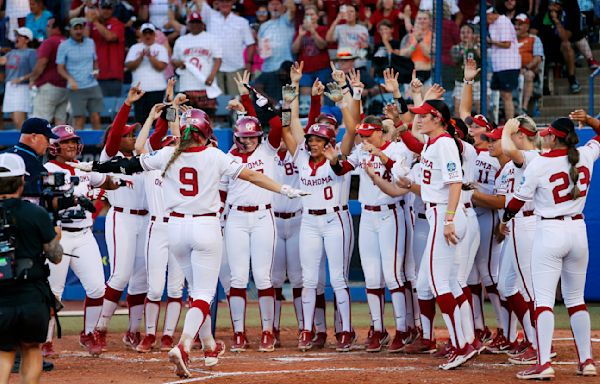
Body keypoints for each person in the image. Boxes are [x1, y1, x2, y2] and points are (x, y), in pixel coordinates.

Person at [73, 108, 306, 379]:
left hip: (174, 227)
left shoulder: (167, 154)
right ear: (205, 132)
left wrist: (94, 166)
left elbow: (129, 165)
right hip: (205, 225)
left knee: (195, 290)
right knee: (204, 295)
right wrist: (284, 189)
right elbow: (252, 176)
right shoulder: (215, 155)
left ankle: (208, 345)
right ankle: (183, 345)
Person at [500, 117, 598, 380]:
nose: (545, 137)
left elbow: (516, 203)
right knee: (576, 300)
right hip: (578, 230)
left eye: (548, 134)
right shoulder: (585, 155)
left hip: (549, 231)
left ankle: (543, 363)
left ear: (554, 137)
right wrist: (589, 120)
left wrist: (505, 220)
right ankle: (586, 361)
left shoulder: (540, 163)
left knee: (543, 300)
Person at [42, 125, 121, 358]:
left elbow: (107, 181)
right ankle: (46, 341)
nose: (71, 145)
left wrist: (114, 185)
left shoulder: (83, 167)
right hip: (59, 235)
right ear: (54, 146)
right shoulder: (46, 169)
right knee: (53, 292)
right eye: (66, 141)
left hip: (85, 234)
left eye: (73, 141)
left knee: (97, 288)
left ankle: (88, 333)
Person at [219, 74, 284, 353]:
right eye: (243, 137)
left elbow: (276, 125)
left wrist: (251, 95)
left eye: (252, 137)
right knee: (236, 278)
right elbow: (221, 194)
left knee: (263, 276)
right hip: (234, 218)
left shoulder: (269, 149)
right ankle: (238, 333)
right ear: (236, 136)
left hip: (262, 217)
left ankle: (268, 331)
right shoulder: (228, 156)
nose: (247, 141)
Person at [345, 116, 415, 353]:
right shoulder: (361, 150)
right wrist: (334, 157)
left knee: (393, 275)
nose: (364, 139)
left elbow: (401, 175)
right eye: (362, 135)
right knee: (372, 277)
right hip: (367, 214)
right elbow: (342, 167)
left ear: (380, 132)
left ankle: (403, 329)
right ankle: (378, 329)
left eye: (368, 134)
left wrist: (380, 154)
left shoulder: (397, 148)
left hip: (390, 214)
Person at [92, 85, 149, 351]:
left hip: (144, 220)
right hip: (122, 218)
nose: (132, 137)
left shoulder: (142, 157)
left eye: (133, 134)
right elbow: (114, 134)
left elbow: (156, 133)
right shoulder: (110, 155)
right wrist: (126, 104)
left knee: (141, 279)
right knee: (120, 274)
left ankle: (133, 331)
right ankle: (99, 329)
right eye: (129, 134)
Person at [0, 153, 63, 384]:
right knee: (31, 348)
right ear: (21, 181)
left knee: (4, 352)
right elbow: (55, 257)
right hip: (31, 295)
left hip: (1, 297)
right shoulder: (34, 213)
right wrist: (56, 237)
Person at [132, 102, 185, 353]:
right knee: (154, 288)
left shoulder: (184, 164)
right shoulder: (151, 166)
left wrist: (174, 113)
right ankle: (150, 333)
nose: (171, 148)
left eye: (174, 145)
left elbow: (180, 138)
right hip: (157, 227)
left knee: (175, 287)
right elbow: (138, 148)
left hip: (179, 226)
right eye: (167, 145)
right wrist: (151, 119)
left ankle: (167, 335)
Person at [198, 0, 256, 96]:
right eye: (222, 1)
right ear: (218, 3)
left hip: (236, 67)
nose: (225, 4)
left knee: (238, 101)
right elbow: (200, 3)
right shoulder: (210, 17)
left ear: (232, 3)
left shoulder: (242, 22)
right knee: (218, 102)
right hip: (214, 69)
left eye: (227, 1)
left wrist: (248, 64)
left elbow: (250, 44)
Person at [171, 12, 222, 118]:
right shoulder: (181, 40)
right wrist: (179, 63)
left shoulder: (211, 38)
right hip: (187, 85)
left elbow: (218, 59)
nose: (195, 25)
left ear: (202, 24)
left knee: (207, 118)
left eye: (197, 22)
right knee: (186, 118)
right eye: (192, 23)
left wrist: (212, 76)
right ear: (188, 25)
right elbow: (174, 60)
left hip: (205, 84)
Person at [56, 17, 103, 130]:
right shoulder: (64, 45)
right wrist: (70, 79)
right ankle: (79, 147)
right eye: (75, 28)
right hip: (75, 87)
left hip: (92, 84)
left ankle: (100, 146)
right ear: (70, 30)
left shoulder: (91, 42)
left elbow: (95, 60)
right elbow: (60, 68)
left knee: (96, 117)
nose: (78, 31)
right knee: (79, 119)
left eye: (80, 28)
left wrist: (96, 71)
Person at [125, 23, 169, 124]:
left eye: (150, 33)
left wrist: (150, 56)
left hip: (157, 89)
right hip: (139, 90)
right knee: (140, 120)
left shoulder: (161, 48)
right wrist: (140, 57)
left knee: (157, 120)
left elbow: (161, 67)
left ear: (154, 34)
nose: (148, 36)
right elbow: (129, 66)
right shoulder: (134, 48)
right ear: (141, 35)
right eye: (145, 33)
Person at [29, 18, 69, 125]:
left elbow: (42, 63)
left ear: (56, 28)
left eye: (48, 26)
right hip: (65, 87)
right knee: (60, 124)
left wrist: (32, 78)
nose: (46, 28)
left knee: (39, 124)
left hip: (49, 86)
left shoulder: (49, 41)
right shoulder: (67, 42)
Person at [254, 0, 296, 99]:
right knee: (269, 99)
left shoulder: (286, 19)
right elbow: (260, 48)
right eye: (272, 4)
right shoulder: (263, 26)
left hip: (285, 68)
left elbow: (292, 9)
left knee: (286, 100)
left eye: (277, 4)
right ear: (268, 7)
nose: (275, 7)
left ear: (282, 6)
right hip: (268, 67)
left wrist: (286, 6)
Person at [487, 7, 521, 120]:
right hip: (498, 65)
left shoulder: (503, 21)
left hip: (508, 64)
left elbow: (507, 44)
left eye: (487, 16)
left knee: (507, 95)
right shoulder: (492, 24)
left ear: (492, 13)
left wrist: (491, 42)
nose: (486, 19)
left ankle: (510, 122)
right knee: (500, 94)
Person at [0, 27, 36, 130]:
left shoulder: (31, 52)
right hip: (10, 87)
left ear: (27, 39)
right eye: (16, 36)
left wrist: (21, 78)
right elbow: (2, 61)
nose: (16, 38)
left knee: (19, 120)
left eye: (19, 36)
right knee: (14, 120)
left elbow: (36, 71)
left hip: (22, 88)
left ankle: (26, 144)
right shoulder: (11, 52)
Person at [88, 0, 126, 98]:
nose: (106, 11)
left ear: (113, 9)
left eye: (109, 8)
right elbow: (83, 40)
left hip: (113, 76)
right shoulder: (91, 25)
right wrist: (89, 21)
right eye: (104, 8)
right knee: (95, 111)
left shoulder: (118, 24)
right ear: (99, 8)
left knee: (113, 110)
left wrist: (95, 22)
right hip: (95, 76)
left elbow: (110, 37)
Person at [291, 4, 330, 96]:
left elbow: (322, 46)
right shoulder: (300, 31)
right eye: (307, 15)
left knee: (320, 94)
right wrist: (300, 35)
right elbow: (294, 50)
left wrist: (312, 31)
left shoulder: (323, 29)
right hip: (305, 70)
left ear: (317, 16)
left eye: (312, 14)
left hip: (322, 68)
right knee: (305, 97)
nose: (310, 17)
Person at [514, 13, 544, 115]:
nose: (517, 27)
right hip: (512, 70)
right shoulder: (510, 40)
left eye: (520, 24)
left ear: (527, 26)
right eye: (516, 24)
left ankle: (523, 108)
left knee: (528, 75)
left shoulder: (534, 39)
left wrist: (526, 68)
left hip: (528, 70)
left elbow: (538, 58)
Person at [326, 3, 369, 70]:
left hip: (358, 65)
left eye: (351, 11)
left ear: (356, 14)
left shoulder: (363, 29)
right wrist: (337, 20)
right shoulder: (339, 28)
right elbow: (328, 39)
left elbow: (365, 48)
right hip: (342, 65)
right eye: (346, 11)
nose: (349, 13)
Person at [399, 11, 432, 84]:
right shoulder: (408, 37)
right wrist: (415, 43)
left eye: (425, 19)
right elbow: (403, 55)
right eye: (419, 19)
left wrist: (420, 40)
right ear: (416, 20)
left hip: (428, 74)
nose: (422, 21)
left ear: (430, 21)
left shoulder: (434, 37)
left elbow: (431, 55)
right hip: (410, 74)